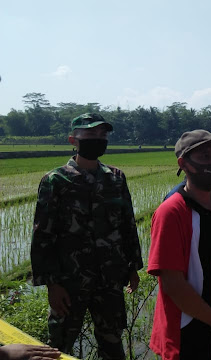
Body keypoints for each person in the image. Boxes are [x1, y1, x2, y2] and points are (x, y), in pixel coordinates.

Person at [31, 113, 143, 360]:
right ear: (74, 139)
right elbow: (43, 234)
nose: (98, 139)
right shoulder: (56, 180)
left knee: (113, 344)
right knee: (59, 346)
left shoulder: (116, 178)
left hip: (110, 278)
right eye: (90, 135)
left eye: (102, 135)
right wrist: (52, 284)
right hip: (70, 281)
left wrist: (133, 268)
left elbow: (127, 225)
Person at [148, 130, 211, 360]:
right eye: (205, 157)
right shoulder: (171, 213)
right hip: (187, 334)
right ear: (184, 164)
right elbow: (172, 284)